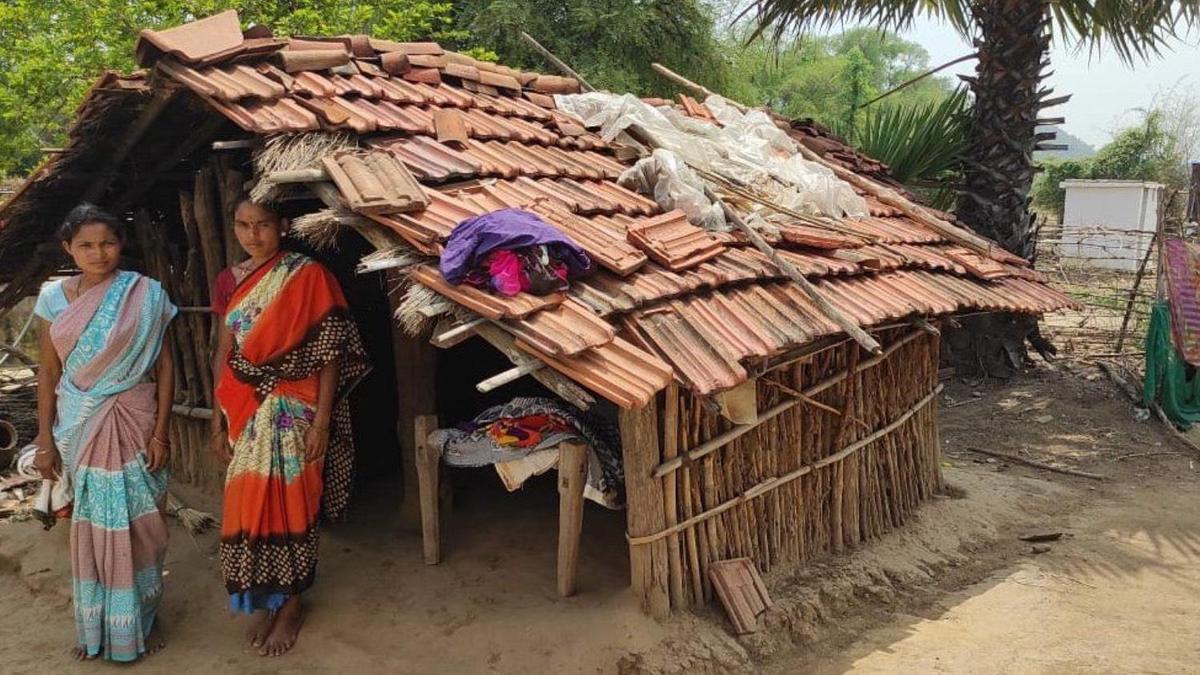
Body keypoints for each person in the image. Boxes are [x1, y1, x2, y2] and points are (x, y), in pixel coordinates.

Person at [210, 199, 369, 657]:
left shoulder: (308, 275)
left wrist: (321, 419)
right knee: (247, 504)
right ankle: (268, 596)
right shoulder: (231, 280)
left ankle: (293, 603)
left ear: (282, 226)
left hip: (296, 408)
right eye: (243, 225)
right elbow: (225, 349)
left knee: (294, 504)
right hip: (244, 410)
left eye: (262, 224)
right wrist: (219, 419)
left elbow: (332, 351)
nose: (252, 234)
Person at [32, 203, 177, 662]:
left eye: (108, 243)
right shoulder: (53, 299)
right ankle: (98, 624)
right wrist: (44, 438)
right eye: (86, 246)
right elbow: (48, 371)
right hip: (80, 423)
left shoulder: (146, 294)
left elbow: (165, 365)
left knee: (141, 527)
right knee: (92, 527)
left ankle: (144, 618)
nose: (99, 254)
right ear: (68, 249)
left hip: (135, 419)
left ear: (122, 245)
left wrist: (160, 432)